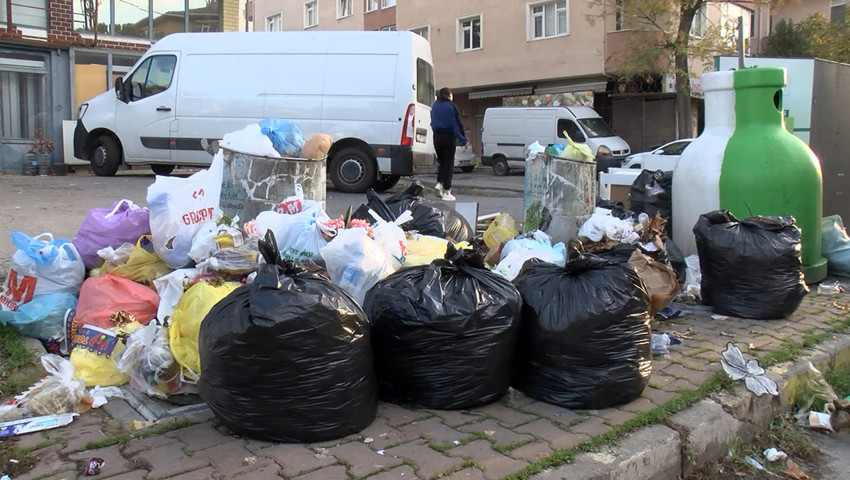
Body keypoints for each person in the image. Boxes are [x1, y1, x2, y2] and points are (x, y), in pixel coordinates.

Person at [430, 87, 468, 201]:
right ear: (449, 95)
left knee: (442, 161)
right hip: (448, 136)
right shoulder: (451, 107)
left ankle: (439, 183)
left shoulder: (435, 106)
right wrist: (463, 139)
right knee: (449, 163)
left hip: (436, 136)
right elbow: (457, 125)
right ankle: (447, 190)